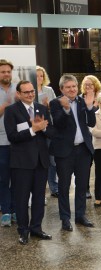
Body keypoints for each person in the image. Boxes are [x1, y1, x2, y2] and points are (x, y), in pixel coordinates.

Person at [3, 80, 52, 244]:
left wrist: (44, 128)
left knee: (39, 198)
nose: (31, 94)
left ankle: (36, 228)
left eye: (32, 91)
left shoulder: (42, 108)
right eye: (26, 92)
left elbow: (51, 131)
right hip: (22, 163)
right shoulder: (11, 111)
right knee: (21, 198)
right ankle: (23, 231)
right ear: (18, 94)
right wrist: (33, 130)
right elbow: (12, 137)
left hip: (41, 162)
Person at [49, 74, 96, 230]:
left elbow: (91, 122)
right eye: (68, 87)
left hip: (83, 149)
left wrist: (90, 107)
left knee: (82, 185)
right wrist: (67, 109)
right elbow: (58, 123)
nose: (72, 89)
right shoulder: (55, 103)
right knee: (64, 186)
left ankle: (80, 215)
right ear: (62, 89)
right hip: (65, 152)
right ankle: (65, 218)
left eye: (74, 86)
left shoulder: (83, 101)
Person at [36, 65, 58, 199]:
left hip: (48, 128)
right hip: (35, 129)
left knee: (52, 160)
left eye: (41, 76)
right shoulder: (29, 89)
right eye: (37, 75)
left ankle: (54, 187)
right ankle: (40, 190)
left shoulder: (48, 90)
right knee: (39, 160)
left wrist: (49, 106)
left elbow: (55, 108)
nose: (39, 78)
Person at [0, 59, 17, 227]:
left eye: (8, 71)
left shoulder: (18, 89)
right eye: (2, 71)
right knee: (4, 178)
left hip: (18, 141)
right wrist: (6, 105)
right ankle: (5, 211)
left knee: (17, 178)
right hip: (1, 142)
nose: (6, 74)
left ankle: (14, 210)